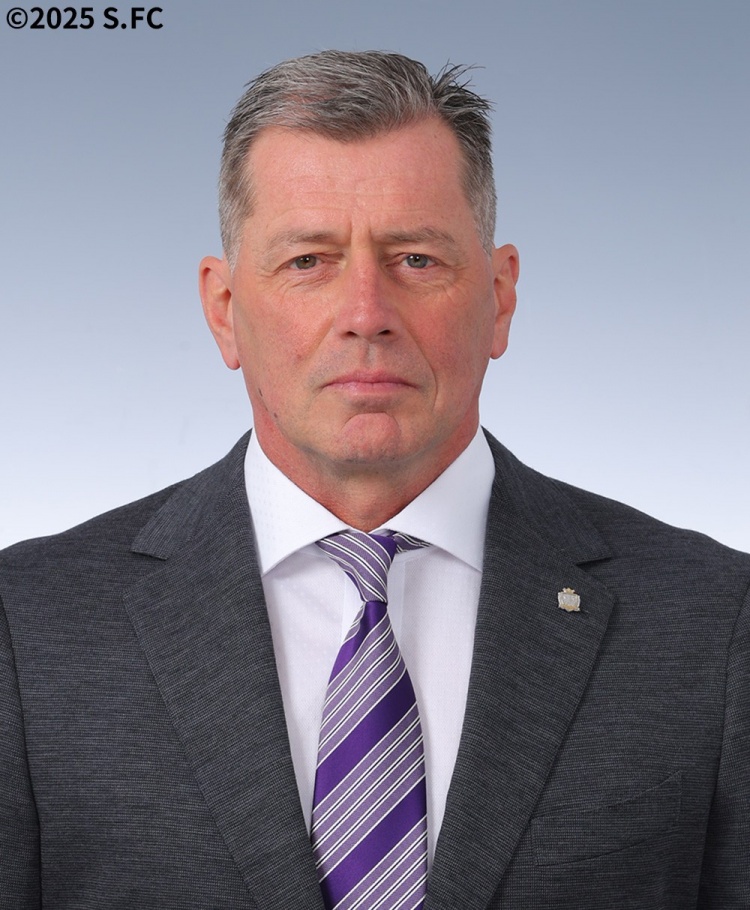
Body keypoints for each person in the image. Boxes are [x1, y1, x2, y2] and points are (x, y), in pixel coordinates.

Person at [1, 50, 748, 910]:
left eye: (417, 259)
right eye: (308, 261)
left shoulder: (714, 621)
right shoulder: (30, 625)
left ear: (500, 297)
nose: (366, 314)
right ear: (224, 310)